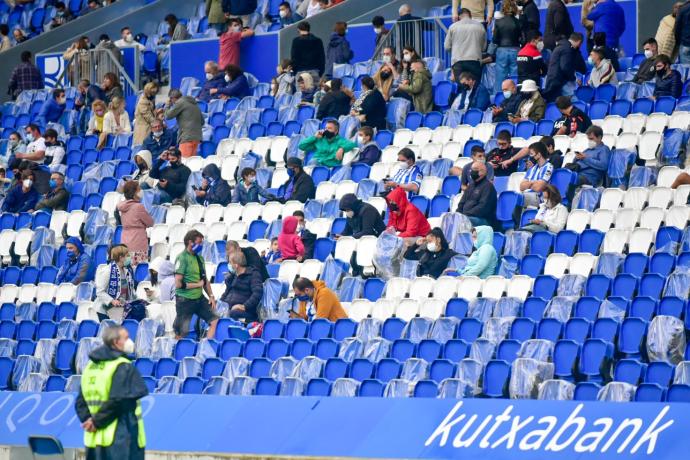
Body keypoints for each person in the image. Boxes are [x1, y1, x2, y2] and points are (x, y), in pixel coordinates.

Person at [75, 326, 147, 460]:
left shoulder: (90, 366)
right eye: (126, 338)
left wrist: (88, 421)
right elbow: (119, 400)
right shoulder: (122, 366)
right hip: (121, 438)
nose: (130, 341)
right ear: (115, 342)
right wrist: (96, 422)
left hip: (93, 439)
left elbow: (80, 401)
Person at [174, 230, 218, 338]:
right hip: (185, 300)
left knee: (215, 321)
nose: (201, 245)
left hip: (199, 298)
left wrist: (211, 296)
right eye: (199, 242)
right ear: (190, 242)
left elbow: (205, 280)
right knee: (182, 332)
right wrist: (197, 285)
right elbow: (178, 284)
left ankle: (205, 349)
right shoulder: (182, 258)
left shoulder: (200, 258)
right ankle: (175, 351)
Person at [96, 244, 137, 321]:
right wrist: (112, 300)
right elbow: (99, 292)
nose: (129, 258)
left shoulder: (127, 271)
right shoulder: (107, 271)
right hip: (105, 310)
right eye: (127, 255)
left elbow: (131, 290)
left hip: (121, 309)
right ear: (121, 258)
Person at [116, 181, 154, 265]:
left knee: (128, 269)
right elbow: (150, 222)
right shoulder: (138, 207)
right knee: (138, 270)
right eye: (139, 189)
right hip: (138, 241)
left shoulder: (122, 207)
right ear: (134, 193)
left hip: (125, 240)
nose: (141, 191)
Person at [445, 8, 486, 83]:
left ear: (459, 16)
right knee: (475, 87)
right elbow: (483, 47)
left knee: (461, 87)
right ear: (470, 16)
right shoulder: (480, 26)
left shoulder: (452, 27)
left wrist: (455, 51)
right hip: (474, 61)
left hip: (458, 62)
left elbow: (447, 47)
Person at [221, 251, 264, 323]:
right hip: (229, 308)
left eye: (230, 263)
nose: (229, 265)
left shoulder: (253, 274)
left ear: (236, 265)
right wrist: (219, 304)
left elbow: (257, 293)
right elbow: (226, 293)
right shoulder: (232, 276)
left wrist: (244, 306)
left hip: (246, 312)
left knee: (231, 313)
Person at [544, 33, 586, 101]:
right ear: (579, 42)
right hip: (560, 81)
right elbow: (565, 67)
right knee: (573, 102)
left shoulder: (561, 46)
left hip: (554, 80)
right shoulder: (567, 49)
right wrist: (574, 78)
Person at [492, 0, 521, 94]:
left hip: (502, 50)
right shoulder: (518, 22)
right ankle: (515, 95)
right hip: (515, 49)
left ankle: (498, 97)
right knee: (515, 76)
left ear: (503, 9)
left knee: (500, 76)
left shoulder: (498, 22)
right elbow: (523, 38)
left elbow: (495, 39)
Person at [165, 89, 203, 158]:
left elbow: (168, 116)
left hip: (186, 137)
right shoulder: (194, 103)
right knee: (191, 163)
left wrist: (167, 106)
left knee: (184, 162)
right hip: (197, 138)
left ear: (172, 98)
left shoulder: (180, 102)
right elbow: (202, 121)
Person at [457, 162, 497, 227]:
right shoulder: (470, 186)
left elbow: (483, 208)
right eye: (471, 170)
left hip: (483, 220)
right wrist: (457, 215)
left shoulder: (488, 187)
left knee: (462, 221)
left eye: (474, 169)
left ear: (482, 172)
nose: (472, 172)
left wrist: (465, 215)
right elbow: (461, 203)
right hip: (467, 217)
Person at [519, 142, 554, 208]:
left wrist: (529, 184)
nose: (530, 156)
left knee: (518, 198)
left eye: (532, 154)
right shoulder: (532, 168)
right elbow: (521, 186)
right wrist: (534, 182)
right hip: (527, 195)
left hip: (539, 198)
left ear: (539, 154)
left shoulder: (549, 167)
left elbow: (539, 188)